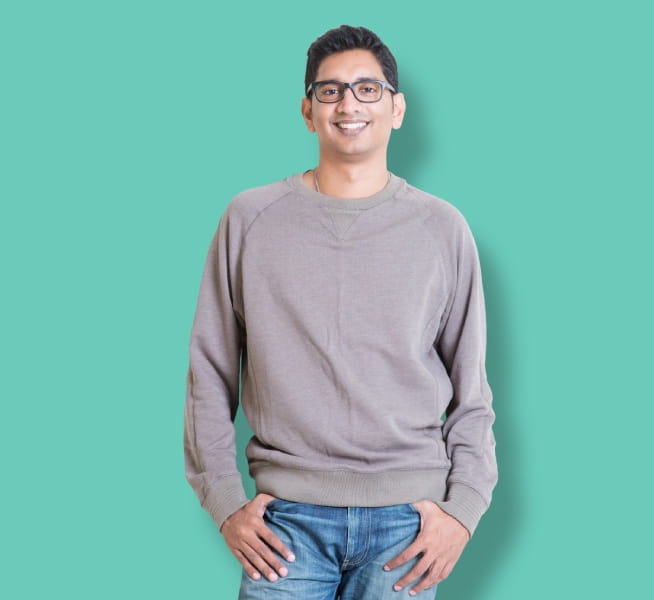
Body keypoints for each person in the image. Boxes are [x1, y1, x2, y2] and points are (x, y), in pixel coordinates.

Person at [184, 24, 497, 599]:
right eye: (329, 91)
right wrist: (225, 502)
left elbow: (471, 392)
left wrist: (464, 511)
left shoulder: (442, 228)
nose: (348, 104)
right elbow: (209, 374)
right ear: (308, 111)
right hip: (284, 522)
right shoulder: (250, 219)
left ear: (397, 109)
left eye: (367, 89)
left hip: (409, 523)